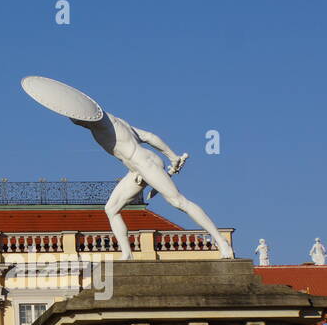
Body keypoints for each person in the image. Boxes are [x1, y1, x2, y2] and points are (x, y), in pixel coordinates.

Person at [72, 111, 233, 260]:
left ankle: (221, 240)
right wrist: (172, 156)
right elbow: (149, 136)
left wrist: (171, 157)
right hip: (137, 170)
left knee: (178, 201)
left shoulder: (104, 123)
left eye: (76, 118)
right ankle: (127, 255)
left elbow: (147, 138)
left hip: (145, 164)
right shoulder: (114, 122)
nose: (75, 121)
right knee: (111, 209)